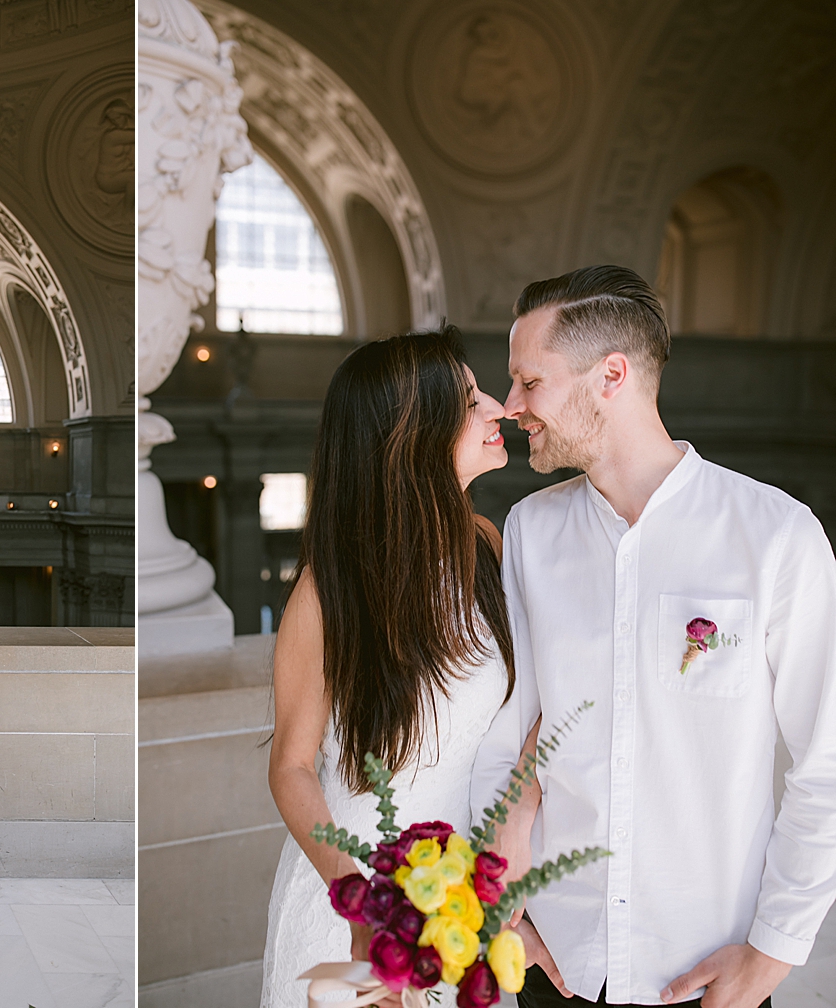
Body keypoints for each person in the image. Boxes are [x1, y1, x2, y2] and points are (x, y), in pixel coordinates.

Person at [472, 265, 836, 1007]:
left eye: (529, 382)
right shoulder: (533, 532)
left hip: (704, 975)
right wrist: (502, 906)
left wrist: (772, 953)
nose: (510, 407)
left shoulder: (776, 535)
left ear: (612, 374)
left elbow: (827, 763)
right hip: (559, 964)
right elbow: (502, 737)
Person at [262, 327, 535, 1008]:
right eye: (470, 401)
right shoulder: (328, 592)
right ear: (412, 432)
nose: (498, 407)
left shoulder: (487, 546)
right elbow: (291, 766)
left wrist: (512, 846)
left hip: (470, 897)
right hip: (356, 905)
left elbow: (533, 712)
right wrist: (359, 905)